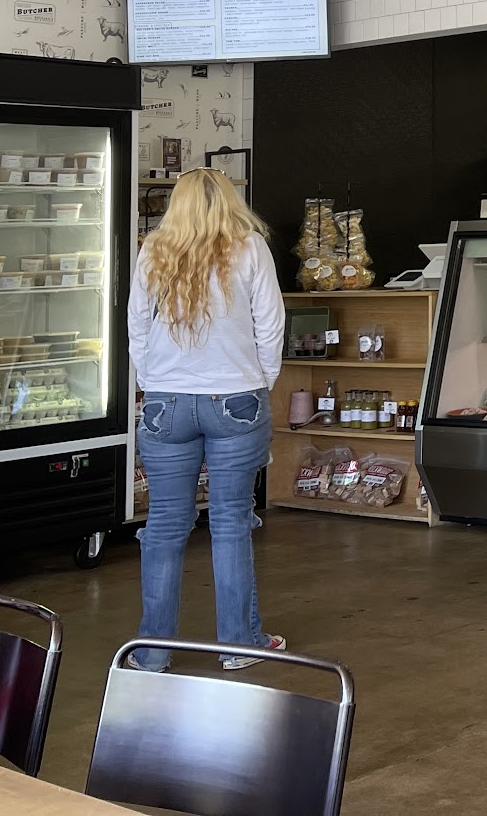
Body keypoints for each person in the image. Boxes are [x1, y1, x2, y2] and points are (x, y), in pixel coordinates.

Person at [126, 166, 287, 672]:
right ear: (230, 201)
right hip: (237, 398)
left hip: (165, 403)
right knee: (231, 522)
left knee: (165, 524)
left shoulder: (154, 249)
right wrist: (260, 379)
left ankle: (152, 653)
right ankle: (240, 646)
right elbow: (271, 324)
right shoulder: (250, 247)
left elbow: (136, 327)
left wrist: (154, 380)